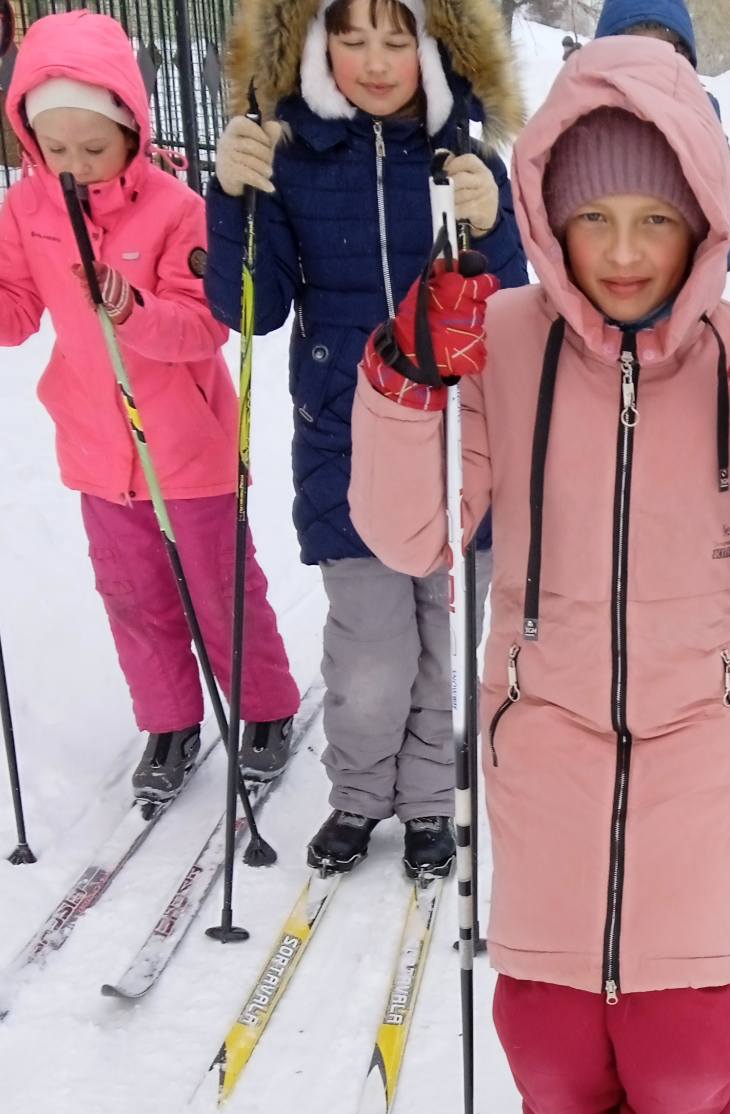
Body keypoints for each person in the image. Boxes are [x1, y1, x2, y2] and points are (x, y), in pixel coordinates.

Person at [348, 37, 730, 1114]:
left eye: (656, 217)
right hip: (544, 730)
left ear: (702, 216)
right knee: (543, 1019)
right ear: (546, 218)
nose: (627, 249)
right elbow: (409, 531)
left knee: (682, 1031)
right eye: (594, 218)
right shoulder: (509, 341)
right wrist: (409, 383)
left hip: (700, 730)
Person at [205, 0, 527, 878]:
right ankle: (358, 793)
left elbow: (508, 309)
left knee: (441, 637)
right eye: (351, 38)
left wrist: (493, 222)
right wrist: (231, 199)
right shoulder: (291, 155)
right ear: (315, 46)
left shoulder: (464, 158)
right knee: (372, 654)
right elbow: (257, 307)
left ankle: (428, 801)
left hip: (460, 438)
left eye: (397, 38)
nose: (375, 61)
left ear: (434, 47)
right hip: (345, 441)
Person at [0, 12, 301, 805]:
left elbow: (205, 326)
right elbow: (14, 312)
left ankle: (263, 708)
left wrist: (132, 310)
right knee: (133, 598)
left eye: (94, 148)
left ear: (132, 126)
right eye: (54, 150)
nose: (74, 167)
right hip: (97, 452)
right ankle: (169, 719)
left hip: (186, 450)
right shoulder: (27, 212)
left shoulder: (174, 208)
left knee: (220, 588)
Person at [592, 0, 730, 269]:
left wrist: (721, 258)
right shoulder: (586, 117)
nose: (650, 68)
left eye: (666, 53)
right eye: (634, 53)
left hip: (683, 271)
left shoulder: (702, 110)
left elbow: (725, 183)